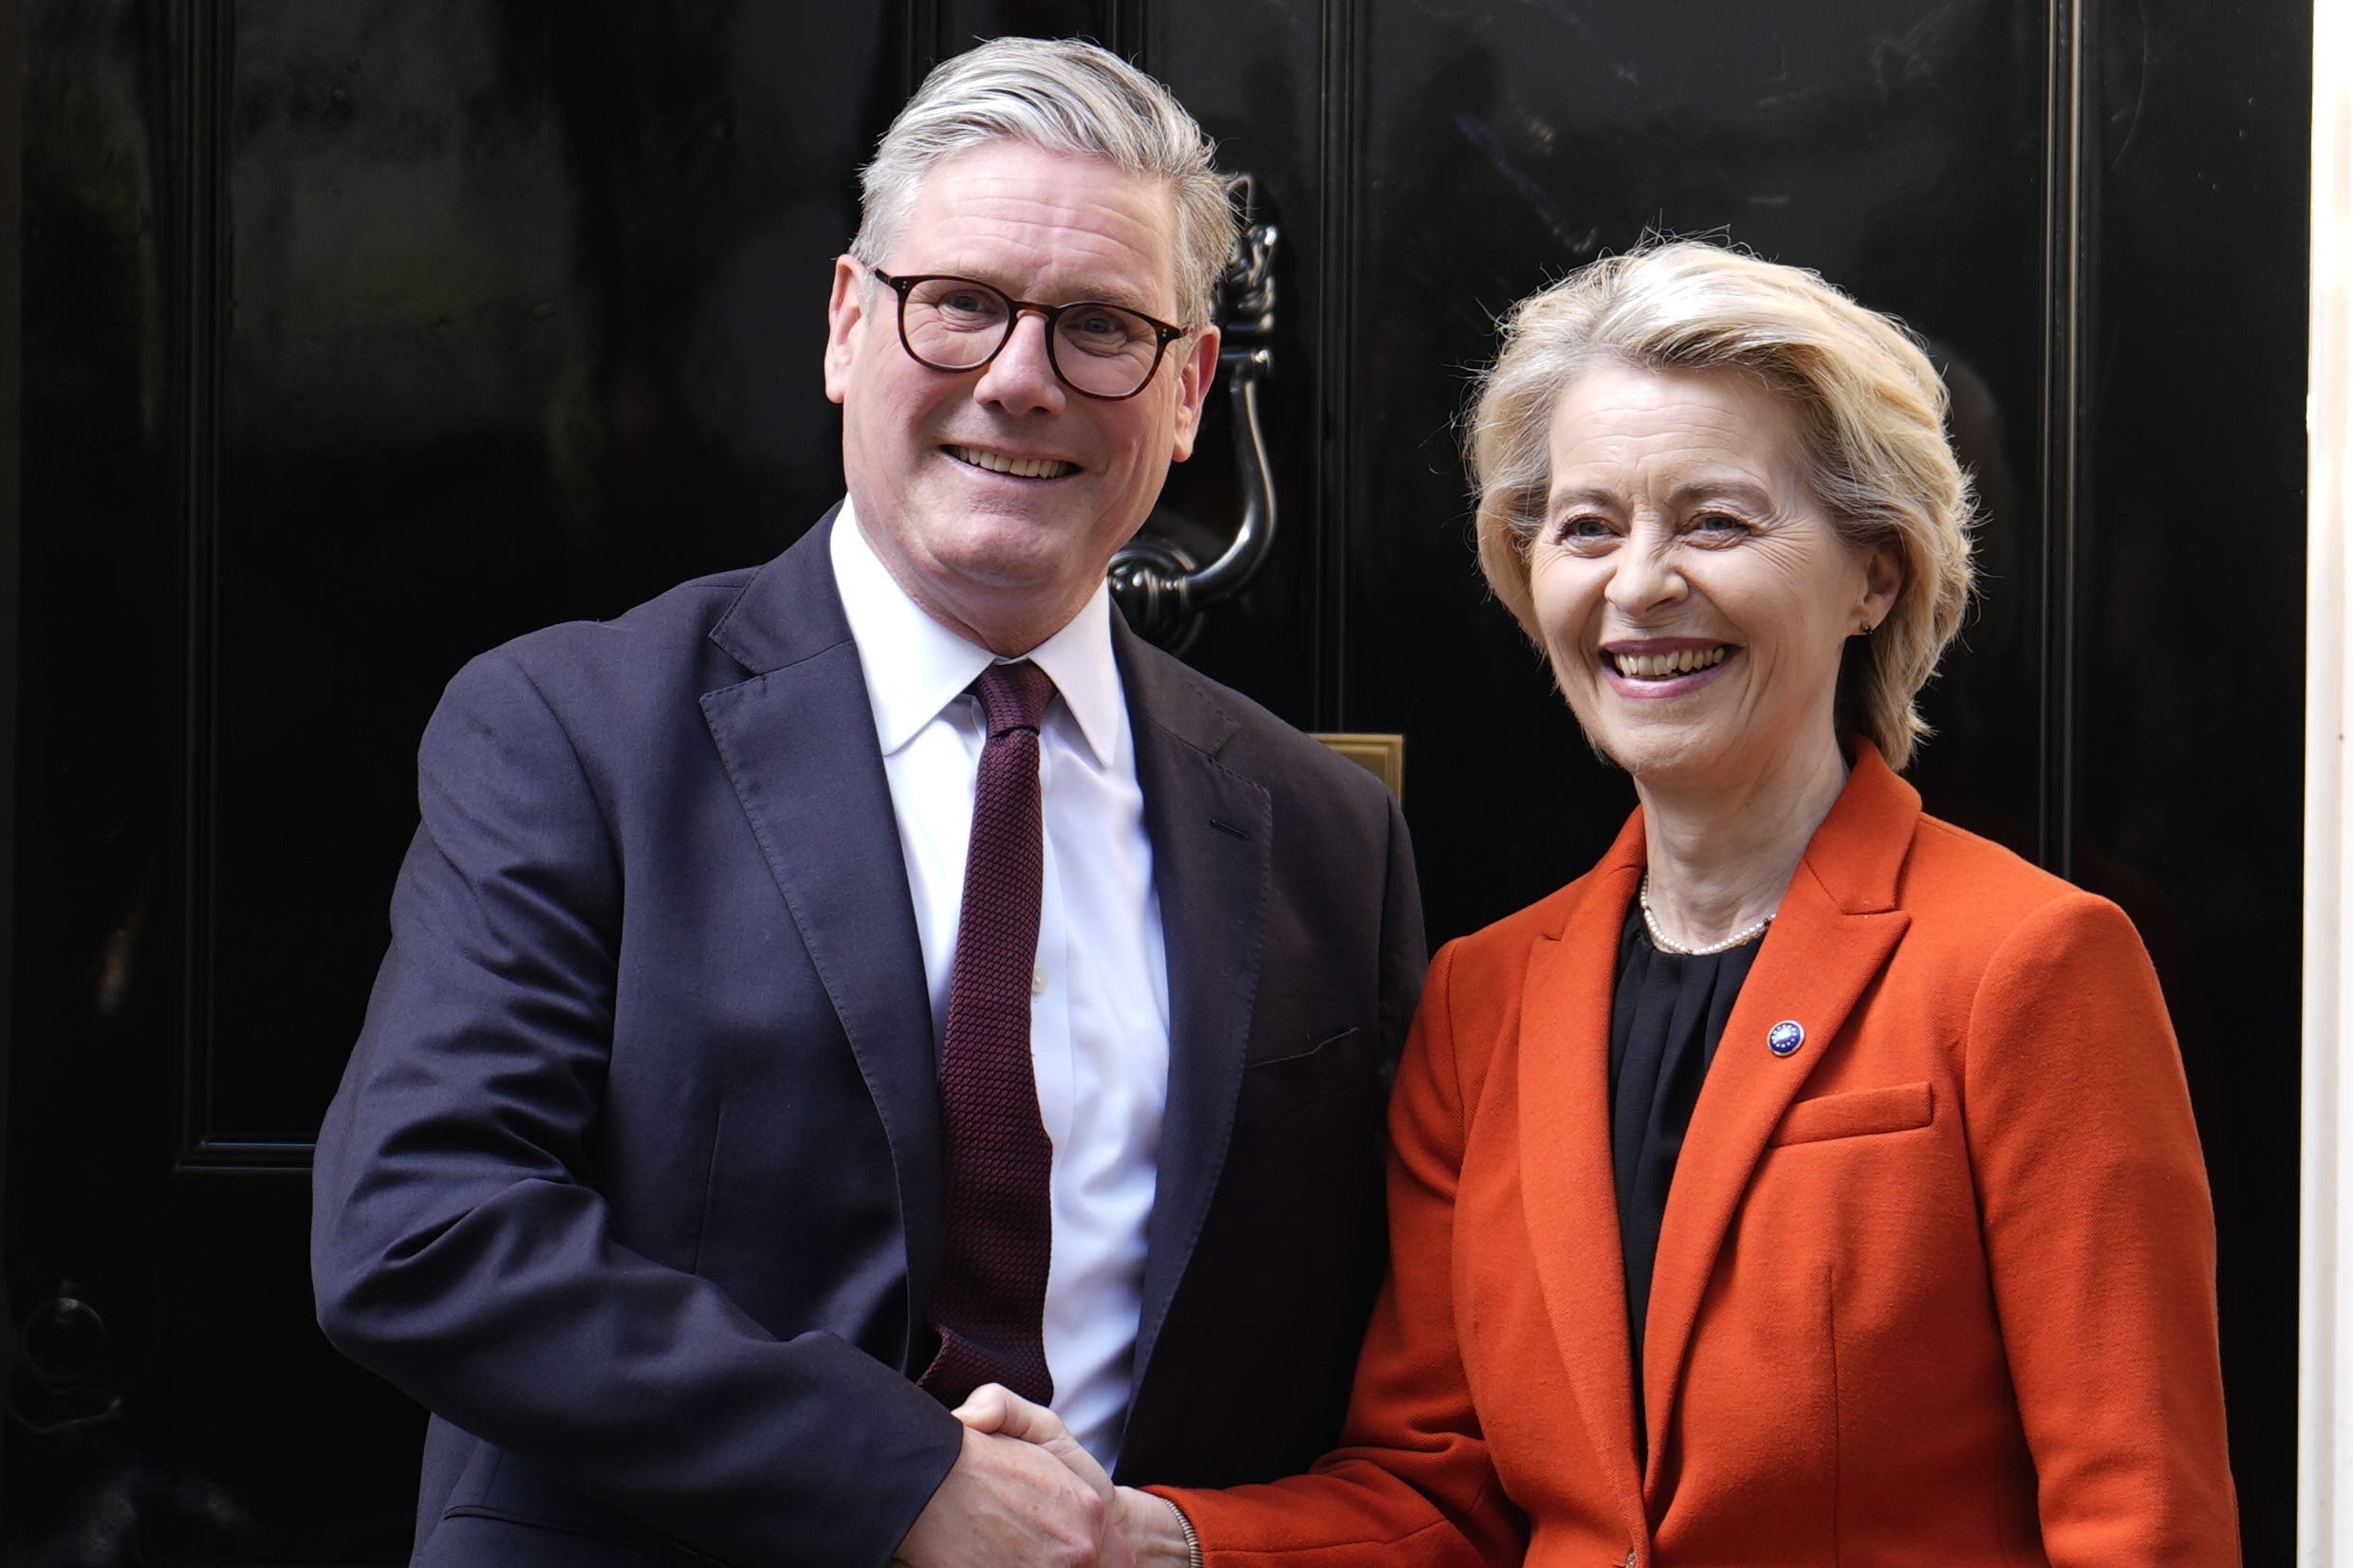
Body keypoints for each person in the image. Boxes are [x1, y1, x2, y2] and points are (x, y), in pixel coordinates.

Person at [309, 37, 1423, 1568]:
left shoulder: (1322, 832)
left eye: (1100, 325)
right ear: (847, 323)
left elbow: (1381, 1361)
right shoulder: (573, 730)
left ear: (1186, 394)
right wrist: (896, 1476)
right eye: (959, 303)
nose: (1020, 379)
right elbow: (423, 1225)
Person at [973, 239, 2242, 1564]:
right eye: (1587, 526)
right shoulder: (1484, 998)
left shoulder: (2034, 964)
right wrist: (1138, 1540)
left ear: (1874, 572)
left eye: (1716, 519)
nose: (1639, 585)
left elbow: (2140, 1522)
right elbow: (1435, 1494)